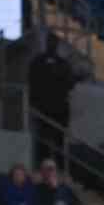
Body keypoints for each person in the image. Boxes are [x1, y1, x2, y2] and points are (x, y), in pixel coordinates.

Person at [28, 34, 78, 165]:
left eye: (54, 42)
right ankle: (43, 165)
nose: (52, 45)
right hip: (44, 107)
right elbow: (32, 83)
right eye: (51, 42)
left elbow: (70, 83)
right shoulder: (39, 61)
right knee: (43, 139)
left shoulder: (62, 63)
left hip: (59, 107)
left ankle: (58, 166)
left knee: (59, 139)